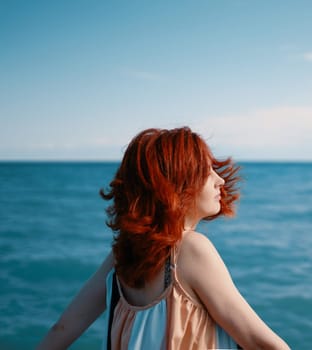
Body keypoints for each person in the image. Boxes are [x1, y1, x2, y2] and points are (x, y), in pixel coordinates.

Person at [37, 127, 290, 350]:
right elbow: (259, 343)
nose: (220, 180)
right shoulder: (191, 249)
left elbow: (64, 328)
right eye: (206, 171)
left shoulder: (124, 254)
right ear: (176, 183)